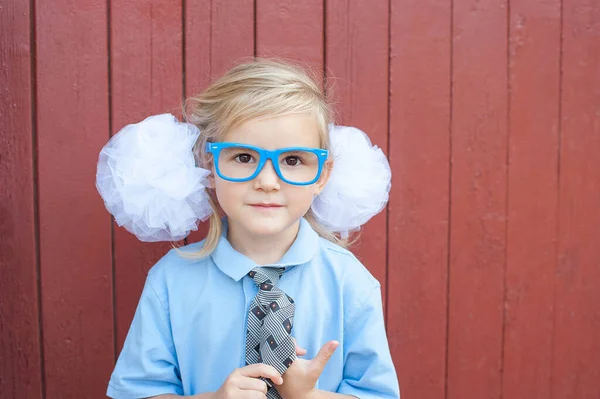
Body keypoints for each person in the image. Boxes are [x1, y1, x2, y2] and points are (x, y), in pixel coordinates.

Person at [97, 59, 399, 399]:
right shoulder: (170, 282)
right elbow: (137, 392)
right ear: (209, 166)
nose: (267, 182)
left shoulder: (350, 284)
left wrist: (307, 398)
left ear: (323, 175)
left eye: (293, 160)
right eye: (243, 157)